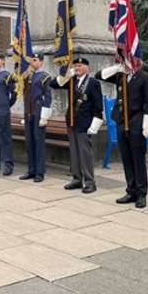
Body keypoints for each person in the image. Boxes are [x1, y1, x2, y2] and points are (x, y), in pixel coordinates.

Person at [96, 60, 148, 208]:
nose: (127, 64)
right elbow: (100, 76)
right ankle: (131, 191)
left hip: (137, 120)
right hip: (121, 120)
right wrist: (117, 68)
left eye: (130, 61)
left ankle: (141, 193)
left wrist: (147, 124)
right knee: (126, 158)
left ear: (138, 63)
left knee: (137, 159)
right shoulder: (120, 76)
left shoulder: (145, 77)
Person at [51, 57, 103, 193]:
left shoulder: (93, 83)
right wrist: (67, 74)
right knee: (74, 152)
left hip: (85, 123)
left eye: (80, 66)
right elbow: (53, 84)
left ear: (87, 67)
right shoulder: (71, 80)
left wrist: (95, 124)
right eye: (75, 66)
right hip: (72, 121)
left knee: (85, 154)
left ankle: (90, 182)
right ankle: (76, 179)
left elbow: (98, 105)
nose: (77, 68)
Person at [21, 53, 53, 182]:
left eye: (35, 60)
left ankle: (40, 172)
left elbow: (48, 97)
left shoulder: (45, 77)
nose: (32, 62)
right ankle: (31, 170)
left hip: (39, 112)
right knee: (30, 142)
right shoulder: (29, 76)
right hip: (29, 112)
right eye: (31, 60)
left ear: (40, 61)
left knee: (39, 142)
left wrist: (44, 116)